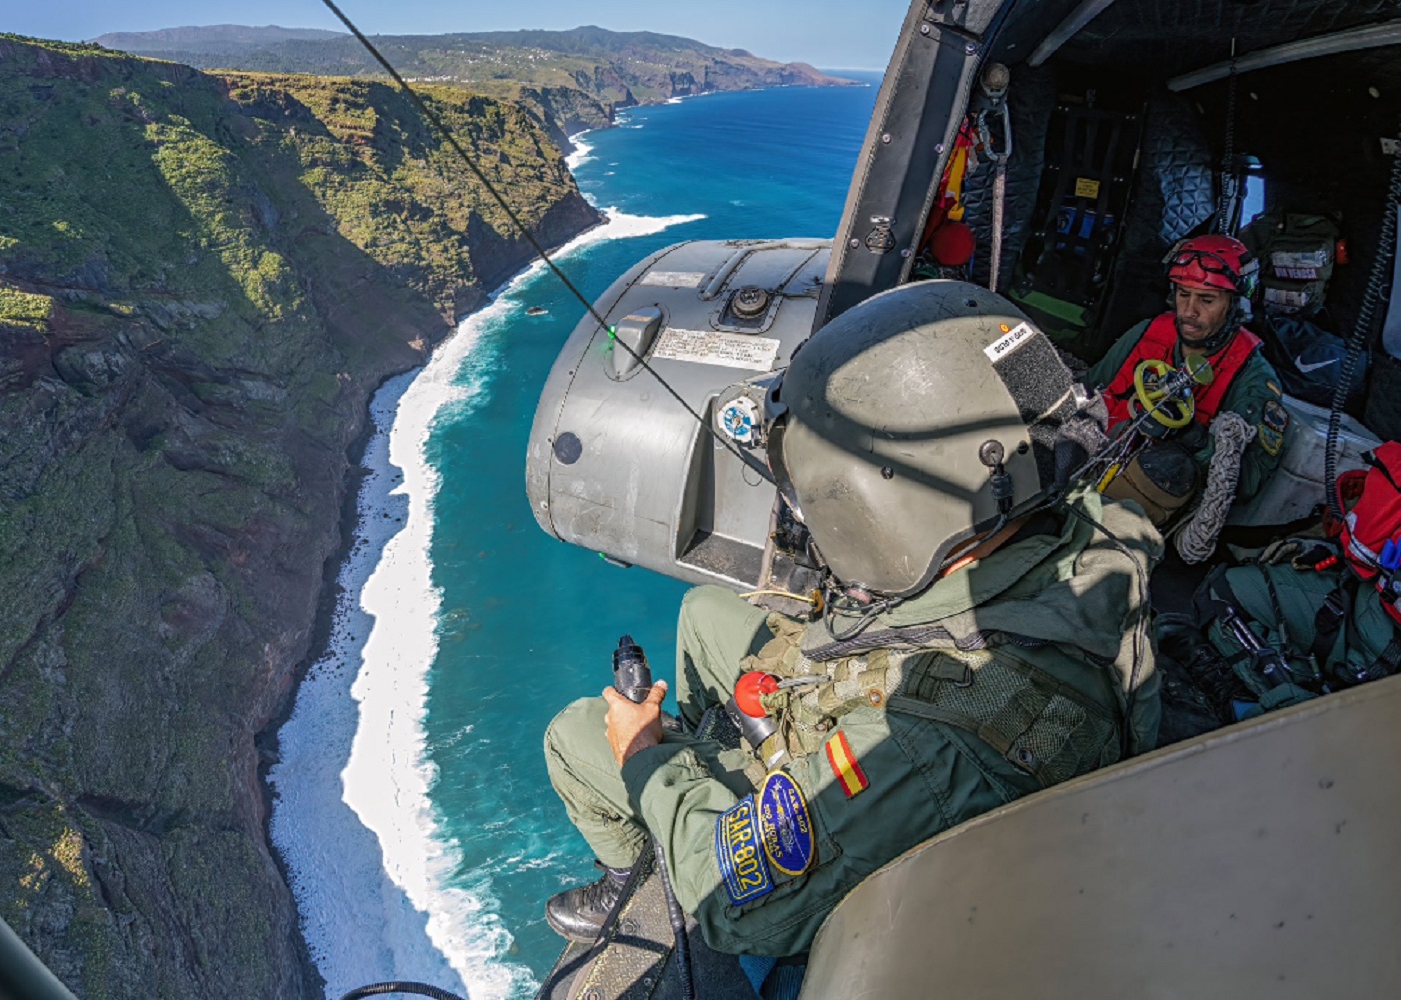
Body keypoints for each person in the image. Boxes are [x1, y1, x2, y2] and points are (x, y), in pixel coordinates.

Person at [542, 281, 1164, 957]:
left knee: (575, 735)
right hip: (924, 665)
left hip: (882, 790)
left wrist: (644, 754)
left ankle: (630, 872)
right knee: (703, 610)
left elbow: (735, 912)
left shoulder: (928, 751)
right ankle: (702, 756)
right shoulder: (1079, 525)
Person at [1084, 233, 1287, 516]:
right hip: (1093, 463)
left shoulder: (1252, 377)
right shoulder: (1149, 332)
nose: (1190, 311)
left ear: (1235, 306)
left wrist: (1192, 437)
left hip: (1151, 503)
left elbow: (1249, 480)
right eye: (1183, 294)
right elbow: (1087, 389)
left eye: (1206, 300)